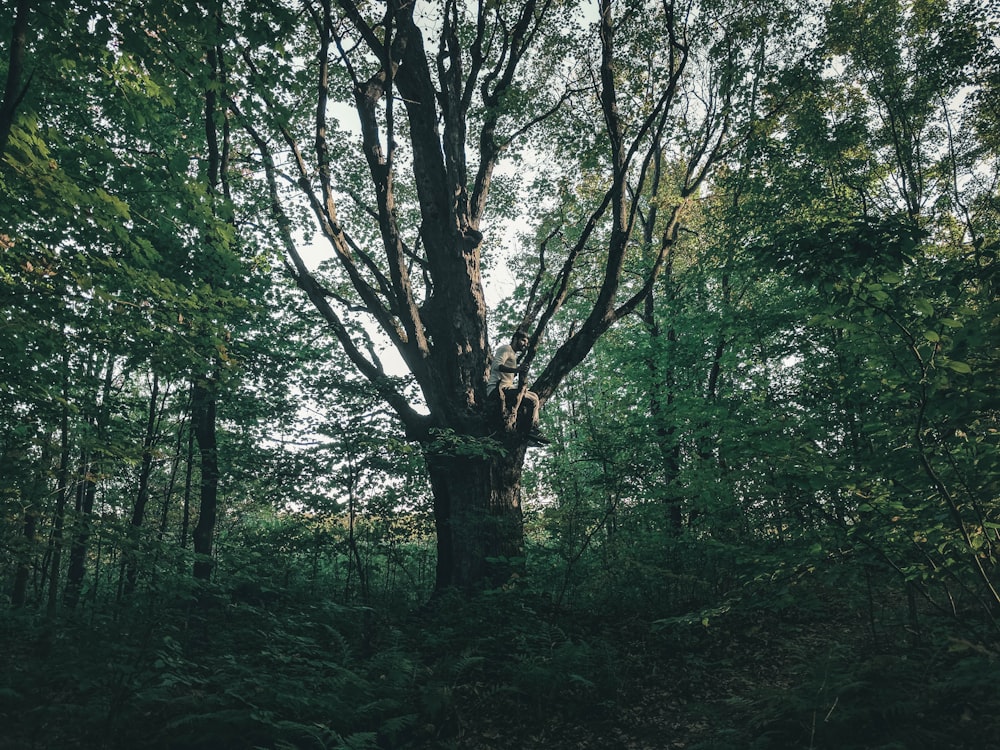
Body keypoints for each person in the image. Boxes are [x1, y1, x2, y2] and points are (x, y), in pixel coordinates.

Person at [487, 330, 550, 445]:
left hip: (506, 388)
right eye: (523, 341)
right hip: (498, 389)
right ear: (515, 339)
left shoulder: (513, 356)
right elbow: (496, 366)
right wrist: (516, 370)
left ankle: (531, 429)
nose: (525, 345)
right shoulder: (506, 349)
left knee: (534, 397)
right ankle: (529, 431)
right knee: (532, 400)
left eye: (526, 342)